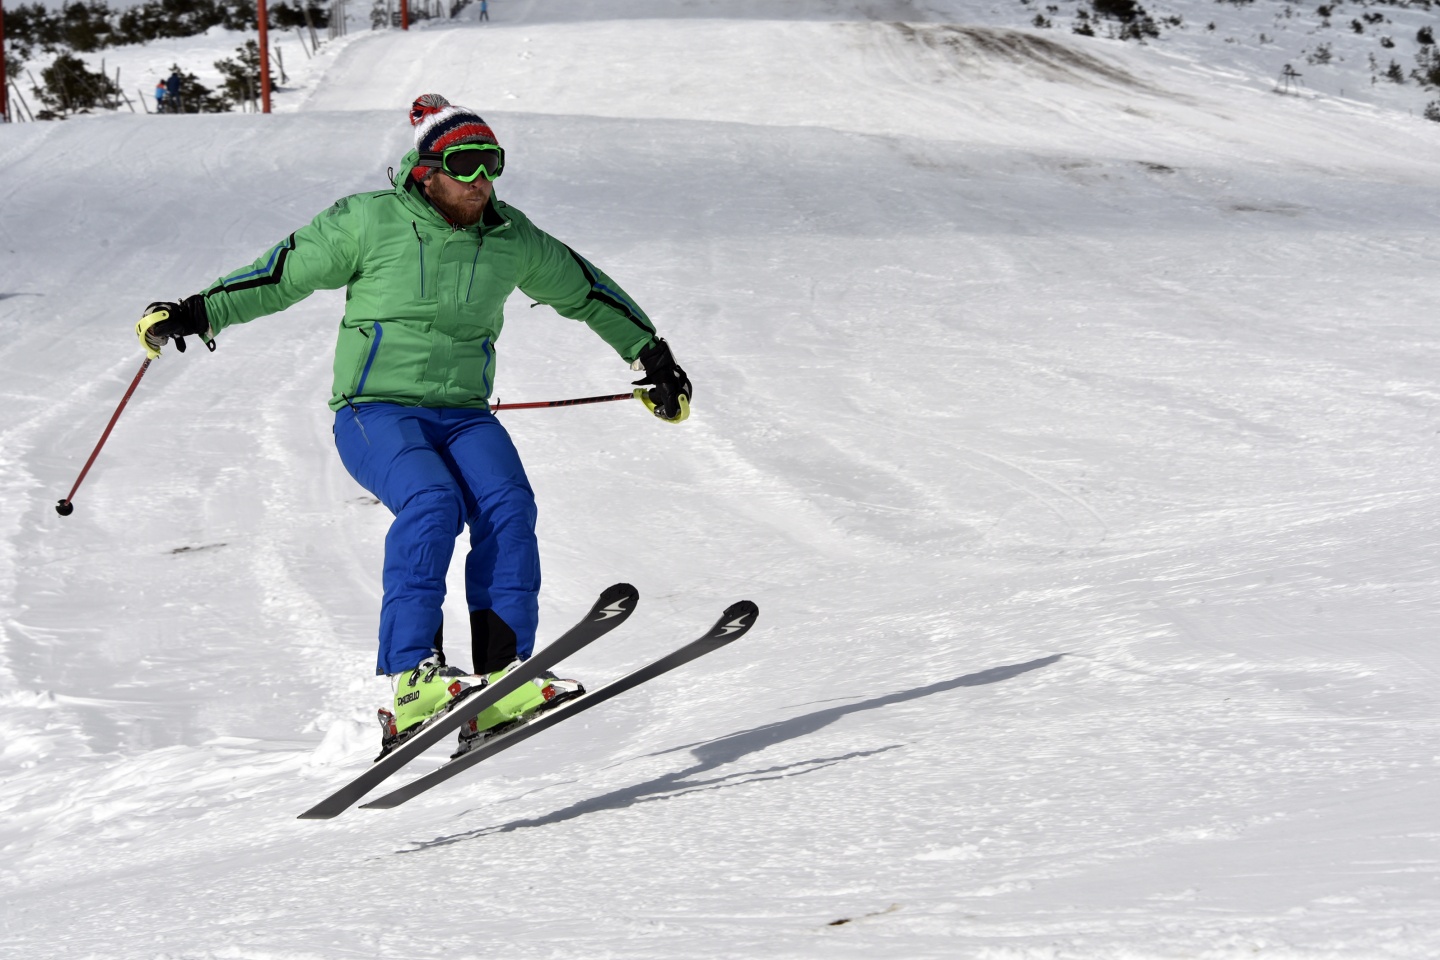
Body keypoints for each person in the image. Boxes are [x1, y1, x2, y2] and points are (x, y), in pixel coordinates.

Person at [135, 94, 691, 759]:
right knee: (432, 503)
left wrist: (649, 354)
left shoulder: (512, 240)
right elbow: (281, 274)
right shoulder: (368, 222)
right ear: (427, 170)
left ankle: (502, 679)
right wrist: (198, 313)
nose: (481, 181)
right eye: (465, 165)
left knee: (508, 506)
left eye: (492, 166)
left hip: (462, 414)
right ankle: (412, 681)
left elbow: (586, 290)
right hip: (374, 412)